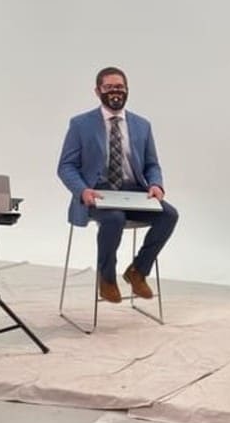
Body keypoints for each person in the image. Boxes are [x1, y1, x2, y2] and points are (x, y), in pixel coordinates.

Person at [57, 67, 179, 304]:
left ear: (127, 90)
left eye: (120, 87)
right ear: (98, 91)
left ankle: (138, 271)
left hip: (132, 193)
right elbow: (66, 166)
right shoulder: (80, 124)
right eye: (110, 87)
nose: (116, 92)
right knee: (114, 218)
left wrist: (156, 185)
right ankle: (107, 278)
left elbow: (152, 164)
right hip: (97, 193)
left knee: (169, 215)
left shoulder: (142, 125)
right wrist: (83, 191)